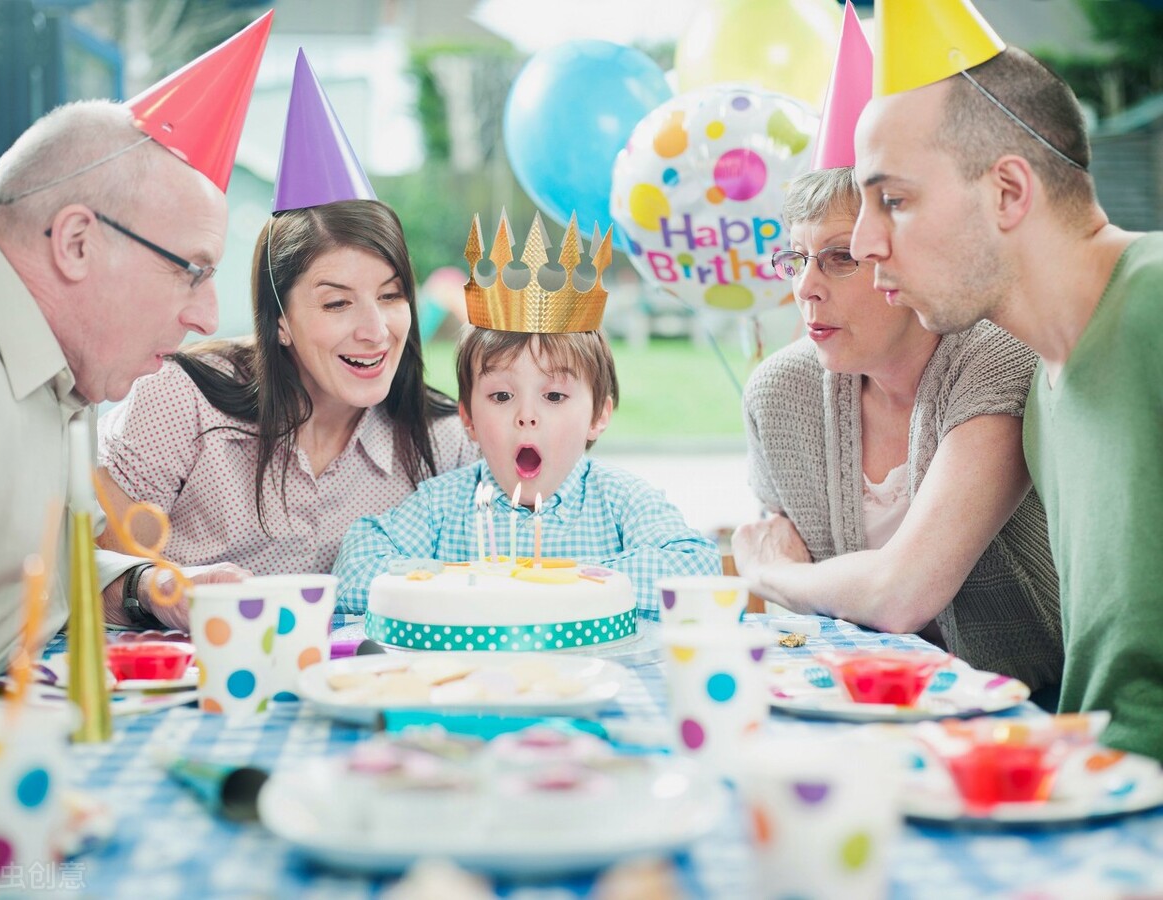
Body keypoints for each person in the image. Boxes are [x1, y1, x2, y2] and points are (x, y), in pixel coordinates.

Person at [849, 26, 1162, 759]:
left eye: (892, 199)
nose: (864, 243)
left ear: (1009, 191)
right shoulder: (1044, 396)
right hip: (1095, 796)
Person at [731, 165, 1062, 697]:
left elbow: (902, 595)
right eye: (795, 258)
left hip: (1028, 703)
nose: (805, 288)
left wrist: (771, 576)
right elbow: (798, 620)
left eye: (841, 258)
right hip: (854, 698)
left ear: (909, 260)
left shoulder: (997, 361)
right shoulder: (778, 393)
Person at [0, 98, 250, 681]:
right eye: (191, 270)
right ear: (76, 243)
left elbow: (30, 568)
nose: (209, 318)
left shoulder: (72, 365)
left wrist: (148, 587)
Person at [96, 200, 477, 629]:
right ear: (280, 320)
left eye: (390, 296)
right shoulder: (181, 401)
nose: (376, 331)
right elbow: (84, 583)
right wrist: (156, 589)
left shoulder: (444, 441)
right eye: (337, 304)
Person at [333, 215, 721, 614]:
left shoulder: (620, 502)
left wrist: (557, 583)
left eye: (554, 396)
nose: (526, 416)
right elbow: (356, 571)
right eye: (501, 396)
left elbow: (698, 570)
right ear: (468, 418)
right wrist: (466, 585)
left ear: (598, 416)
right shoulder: (443, 506)